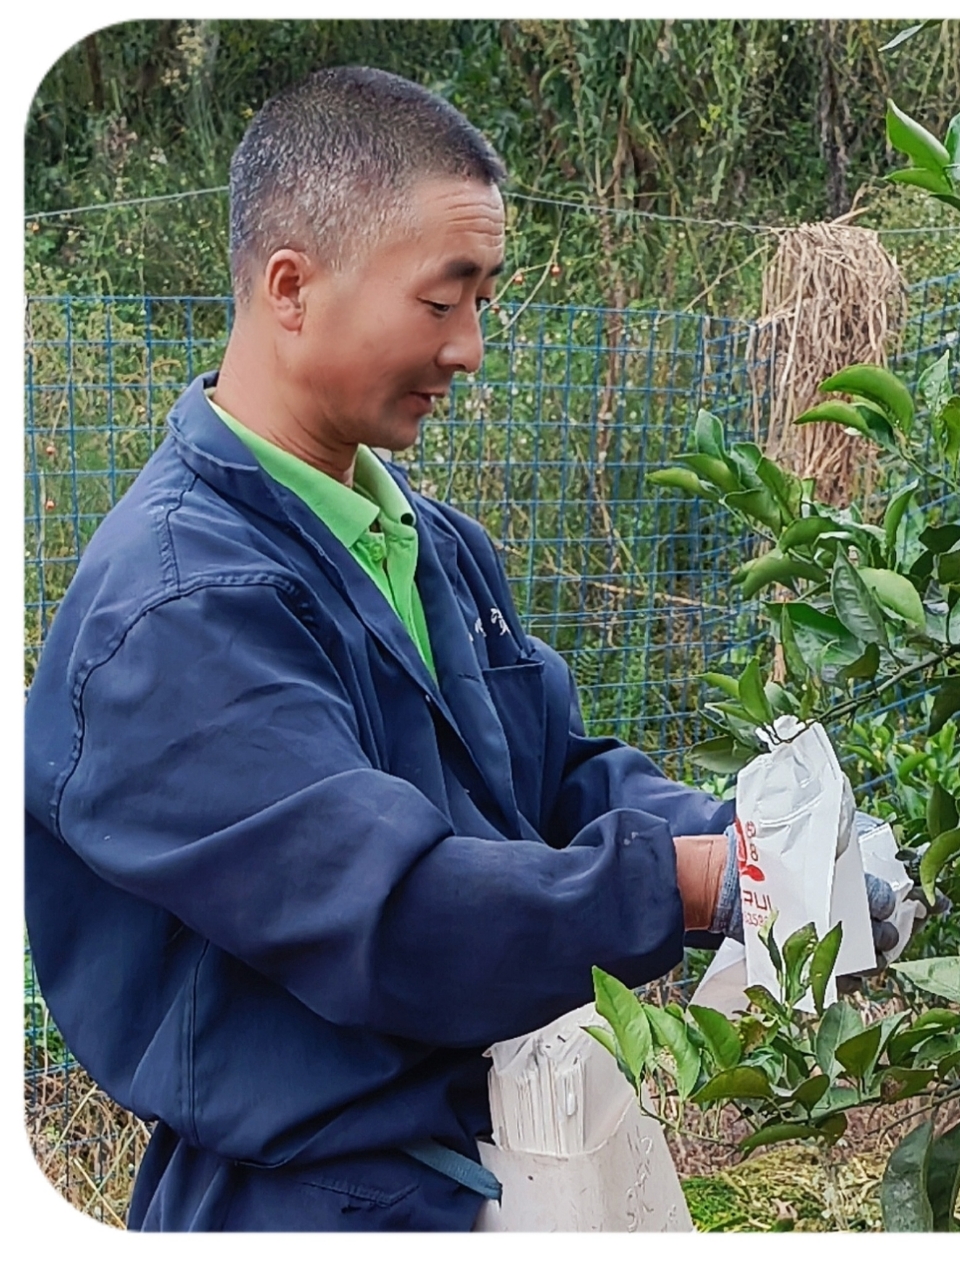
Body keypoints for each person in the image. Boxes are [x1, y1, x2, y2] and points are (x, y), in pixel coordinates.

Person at [24, 66, 895, 1232]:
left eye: (483, 299)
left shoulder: (427, 543)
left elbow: (557, 774)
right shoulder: (180, 612)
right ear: (292, 287)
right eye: (443, 302)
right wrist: (703, 884)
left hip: (497, 1150)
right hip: (314, 1202)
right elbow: (396, 913)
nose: (472, 348)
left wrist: (761, 831)